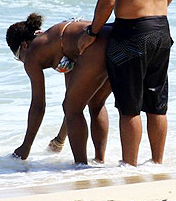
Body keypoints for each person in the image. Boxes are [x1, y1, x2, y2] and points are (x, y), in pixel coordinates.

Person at [78, 0, 175, 166]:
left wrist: (91, 33)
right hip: (161, 29)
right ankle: (157, 164)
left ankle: (129, 168)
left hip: (131, 34)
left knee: (129, 107)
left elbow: (107, 0)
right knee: (157, 105)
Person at [6, 13, 111, 164]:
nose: (22, 61)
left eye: (18, 56)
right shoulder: (57, 41)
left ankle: (81, 167)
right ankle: (99, 160)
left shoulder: (32, 54)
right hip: (112, 41)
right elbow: (72, 97)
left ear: (24, 46)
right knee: (96, 104)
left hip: (95, 48)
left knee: (73, 108)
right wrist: (59, 140)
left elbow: (38, 106)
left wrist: (25, 147)